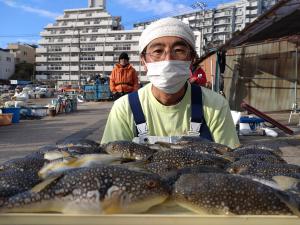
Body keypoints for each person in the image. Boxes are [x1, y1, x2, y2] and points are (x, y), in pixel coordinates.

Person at [101, 18, 239, 149]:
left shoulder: (216, 105)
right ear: (143, 61)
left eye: (178, 50)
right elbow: (110, 161)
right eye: (157, 51)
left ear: (192, 58)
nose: (168, 60)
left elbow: (230, 161)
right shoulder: (124, 108)